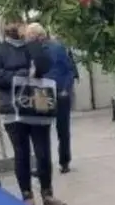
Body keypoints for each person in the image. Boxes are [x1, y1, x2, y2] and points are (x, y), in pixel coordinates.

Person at [0, 21, 68, 205]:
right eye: (10, 24)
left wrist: (35, 45)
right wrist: (25, 73)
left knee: (43, 152)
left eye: (18, 23)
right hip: (12, 110)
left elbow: (45, 66)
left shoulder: (32, 47)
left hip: (37, 106)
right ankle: (27, 196)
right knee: (21, 153)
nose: (14, 27)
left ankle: (47, 194)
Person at [25, 23, 77, 174]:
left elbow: (69, 70)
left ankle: (64, 161)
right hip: (42, 92)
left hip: (58, 92)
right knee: (42, 131)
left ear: (37, 36)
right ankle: (44, 164)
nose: (28, 39)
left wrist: (66, 89)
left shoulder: (56, 48)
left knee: (62, 129)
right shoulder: (31, 51)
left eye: (30, 36)